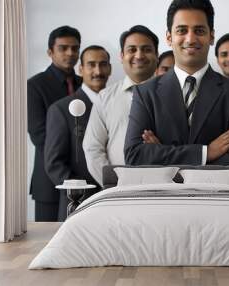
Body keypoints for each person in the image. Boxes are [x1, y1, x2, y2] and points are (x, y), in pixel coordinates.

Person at [124, 0, 229, 166]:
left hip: (215, 192)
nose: (191, 39)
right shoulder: (145, 93)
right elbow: (134, 155)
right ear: (169, 37)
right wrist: (206, 153)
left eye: (199, 30)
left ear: (211, 36)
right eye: (182, 30)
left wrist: (162, 155)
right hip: (161, 192)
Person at [83, 25, 158, 185]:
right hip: (116, 191)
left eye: (146, 49)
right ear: (122, 56)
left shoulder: (175, 96)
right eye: (132, 49)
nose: (139, 55)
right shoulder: (104, 98)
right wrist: (115, 185)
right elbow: (93, 149)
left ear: (157, 55)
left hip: (164, 189)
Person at [44, 46, 112, 221]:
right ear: (80, 69)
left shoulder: (120, 104)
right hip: (78, 205)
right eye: (91, 65)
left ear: (110, 68)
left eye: (103, 64)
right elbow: (54, 163)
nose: (98, 71)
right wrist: (80, 190)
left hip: (116, 201)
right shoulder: (60, 109)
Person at [27, 26, 81, 221]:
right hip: (49, 180)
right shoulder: (35, 85)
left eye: (75, 48)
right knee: (47, 241)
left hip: (84, 177)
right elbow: (38, 134)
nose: (70, 53)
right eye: (63, 48)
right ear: (50, 52)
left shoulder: (85, 84)